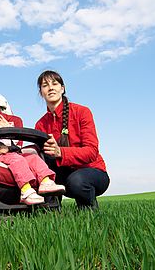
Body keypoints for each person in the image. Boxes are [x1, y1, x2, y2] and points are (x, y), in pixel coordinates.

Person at [35, 70, 110, 210]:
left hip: (92, 172)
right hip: (64, 175)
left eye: (54, 83)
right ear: (41, 92)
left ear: (62, 89)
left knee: (76, 181)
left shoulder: (82, 112)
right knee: (41, 161)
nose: (50, 87)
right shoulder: (40, 124)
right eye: (45, 85)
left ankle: (89, 212)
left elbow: (91, 152)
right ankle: (52, 213)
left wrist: (60, 153)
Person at [0, 104, 65, 205]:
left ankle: (46, 181)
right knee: (17, 160)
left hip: (13, 153)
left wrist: (7, 128)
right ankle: (26, 191)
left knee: (33, 157)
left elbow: (15, 143)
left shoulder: (1, 129)